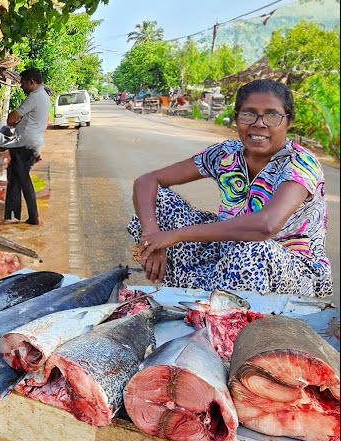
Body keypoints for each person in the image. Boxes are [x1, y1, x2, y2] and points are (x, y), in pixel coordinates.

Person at [130, 79, 331, 298]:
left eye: (272, 115)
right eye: (248, 114)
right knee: (160, 203)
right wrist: (153, 236)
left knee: (252, 250)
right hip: (229, 251)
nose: (259, 123)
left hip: (294, 270)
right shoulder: (227, 153)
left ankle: (223, 311)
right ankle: (185, 294)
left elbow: (266, 225)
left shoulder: (300, 163)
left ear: (288, 121)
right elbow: (147, 181)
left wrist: (176, 235)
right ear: (236, 119)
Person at [0, 67, 50, 225]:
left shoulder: (34, 97)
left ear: (32, 82)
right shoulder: (44, 95)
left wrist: (13, 119)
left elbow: (11, 118)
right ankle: (12, 215)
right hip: (30, 143)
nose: (21, 86)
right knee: (14, 178)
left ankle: (33, 216)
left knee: (23, 179)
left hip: (25, 145)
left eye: (23, 83)